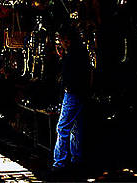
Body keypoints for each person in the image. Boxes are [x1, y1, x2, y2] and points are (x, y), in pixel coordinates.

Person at [51, 25, 90, 178]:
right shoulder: (78, 52)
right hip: (79, 93)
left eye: (61, 39)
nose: (61, 42)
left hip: (73, 93)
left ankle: (59, 162)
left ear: (67, 39)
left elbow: (74, 74)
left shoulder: (75, 53)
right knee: (76, 127)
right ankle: (76, 159)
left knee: (63, 127)